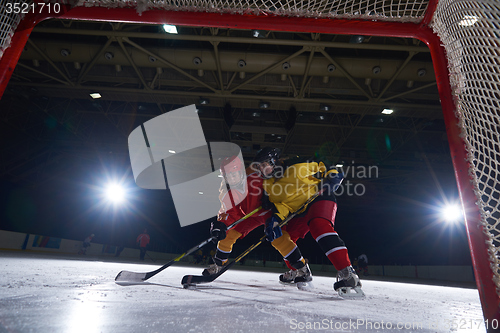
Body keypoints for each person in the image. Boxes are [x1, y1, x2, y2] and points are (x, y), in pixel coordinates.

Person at [252, 147, 364, 297]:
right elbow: (282, 206)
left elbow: (324, 165)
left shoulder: (297, 162)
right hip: (299, 211)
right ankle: (299, 270)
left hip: (318, 197)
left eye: (263, 164)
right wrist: (276, 219)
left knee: (318, 225)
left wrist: (334, 174)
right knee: (279, 238)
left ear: (273, 161)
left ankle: (347, 274)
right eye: (259, 167)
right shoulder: (269, 185)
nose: (261, 169)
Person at [203, 155, 301, 281]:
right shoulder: (226, 189)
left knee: (276, 236)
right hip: (249, 215)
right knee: (229, 233)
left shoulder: (255, 175)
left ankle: (302, 268)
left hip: (267, 212)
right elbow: (229, 211)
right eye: (227, 176)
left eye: (233, 174)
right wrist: (221, 224)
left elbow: (278, 179)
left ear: (240, 171)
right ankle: (219, 264)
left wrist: (271, 197)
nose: (231, 179)